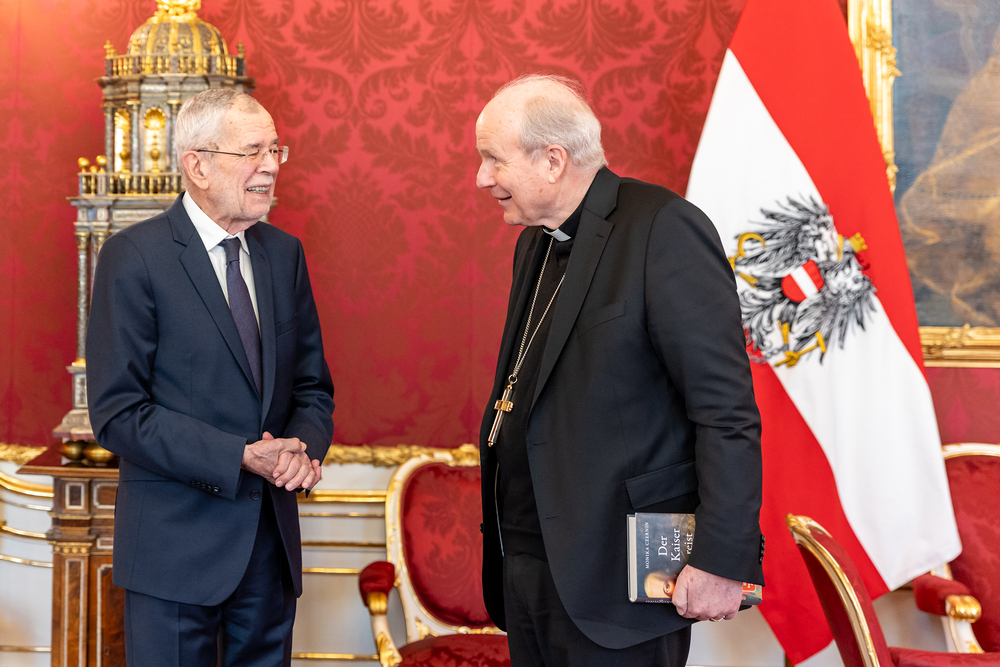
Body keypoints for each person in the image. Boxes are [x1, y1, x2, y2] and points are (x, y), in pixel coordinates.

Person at [475, 74, 764, 666]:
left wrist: (720, 560)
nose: (482, 178)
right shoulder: (534, 243)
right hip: (528, 565)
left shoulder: (663, 229)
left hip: (616, 580)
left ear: (553, 160)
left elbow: (725, 412)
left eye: (493, 159)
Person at [86, 88, 335, 666]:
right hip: (174, 552)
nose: (270, 166)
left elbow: (312, 387)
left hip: (269, 549)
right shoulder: (134, 256)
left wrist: (301, 451)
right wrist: (238, 456)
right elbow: (118, 413)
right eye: (252, 152)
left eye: (275, 150)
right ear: (197, 165)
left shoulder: (284, 254)